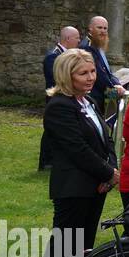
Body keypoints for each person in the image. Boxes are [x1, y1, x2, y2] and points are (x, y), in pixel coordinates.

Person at [36, 49, 119, 257]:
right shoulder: (60, 107)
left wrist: (110, 170)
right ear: (66, 75)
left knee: (83, 249)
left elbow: (105, 142)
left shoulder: (90, 103)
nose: (91, 78)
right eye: (83, 73)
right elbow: (77, 149)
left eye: (93, 71)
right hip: (73, 188)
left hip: (95, 186)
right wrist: (109, 173)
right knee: (63, 248)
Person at [39, 26, 82, 170]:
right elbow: (55, 80)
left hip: (66, 98)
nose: (79, 40)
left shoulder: (65, 56)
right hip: (56, 100)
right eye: (77, 38)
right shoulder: (53, 56)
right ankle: (46, 162)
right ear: (68, 39)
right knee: (51, 130)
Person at [83, 15, 124, 117]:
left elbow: (108, 72)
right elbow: (100, 74)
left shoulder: (98, 46)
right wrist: (114, 87)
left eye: (105, 28)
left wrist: (117, 84)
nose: (103, 31)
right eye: (99, 28)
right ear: (90, 29)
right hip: (94, 97)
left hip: (104, 95)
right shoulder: (87, 48)